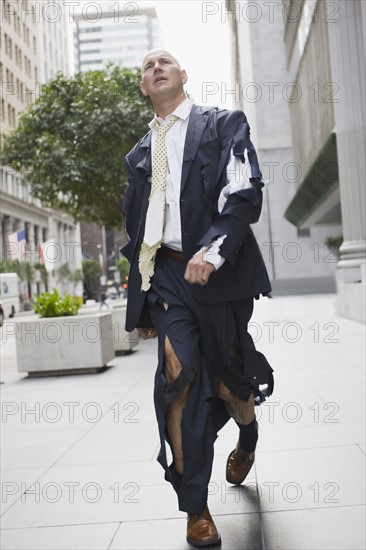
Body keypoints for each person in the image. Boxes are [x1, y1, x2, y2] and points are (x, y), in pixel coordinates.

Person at [121, 49, 274, 548]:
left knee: (231, 384)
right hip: (166, 275)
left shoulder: (222, 124)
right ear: (144, 86)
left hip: (219, 274)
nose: (156, 68)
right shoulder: (140, 154)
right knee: (178, 380)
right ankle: (196, 507)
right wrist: (142, 303)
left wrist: (211, 250)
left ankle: (247, 436)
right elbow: (137, 230)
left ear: (183, 77)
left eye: (165, 62)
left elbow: (243, 188)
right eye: (147, 67)